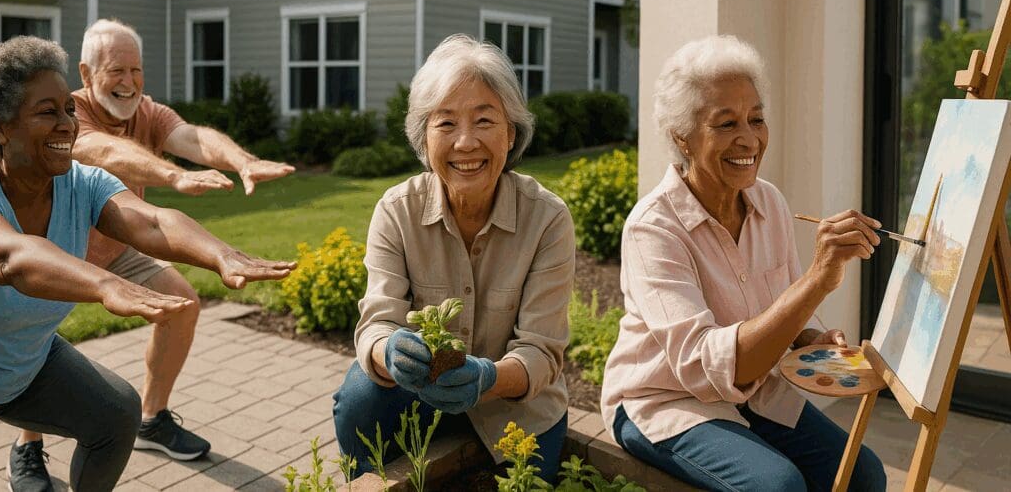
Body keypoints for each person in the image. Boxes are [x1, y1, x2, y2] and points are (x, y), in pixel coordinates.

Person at [0, 37, 294, 492]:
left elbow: (151, 221)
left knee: (116, 414)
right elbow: (11, 257)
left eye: (68, 110)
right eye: (46, 112)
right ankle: (26, 449)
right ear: (0, 126)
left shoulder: (82, 184)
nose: (66, 125)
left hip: (19, 364)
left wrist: (219, 253)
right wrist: (104, 284)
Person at [600, 35, 887, 492]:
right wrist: (818, 279)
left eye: (756, 119)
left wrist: (812, 338)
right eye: (726, 123)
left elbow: (785, 308)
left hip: (754, 391)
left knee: (863, 473)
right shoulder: (652, 229)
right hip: (665, 400)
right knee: (778, 486)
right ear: (682, 138)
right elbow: (706, 368)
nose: (749, 138)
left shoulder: (768, 201)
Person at [332, 34, 575, 482]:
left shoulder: (547, 218)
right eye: (446, 124)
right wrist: (389, 351)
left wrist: (488, 378)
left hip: (514, 406)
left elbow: (542, 351)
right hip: (419, 396)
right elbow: (376, 323)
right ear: (424, 138)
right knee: (359, 397)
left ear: (511, 132)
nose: (466, 143)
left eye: (484, 120)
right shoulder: (396, 209)